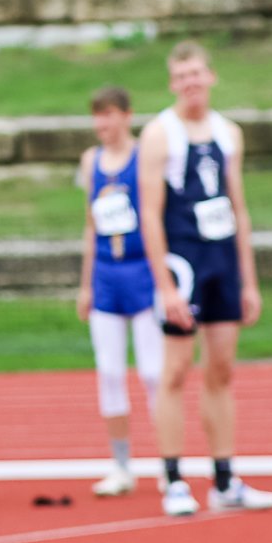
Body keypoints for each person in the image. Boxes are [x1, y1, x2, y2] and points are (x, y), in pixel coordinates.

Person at [137, 42, 272, 516]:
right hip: (183, 262)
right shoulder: (159, 135)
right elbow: (149, 214)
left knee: (221, 369)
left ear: (211, 76)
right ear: (172, 83)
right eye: (182, 76)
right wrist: (165, 285)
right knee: (176, 370)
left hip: (222, 261)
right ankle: (174, 479)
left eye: (196, 74)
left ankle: (224, 479)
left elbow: (239, 208)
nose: (191, 83)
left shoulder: (228, 133)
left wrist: (249, 281)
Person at [74, 85, 165, 498]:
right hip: (106, 276)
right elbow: (90, 225)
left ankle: (168, 462)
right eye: (97, 115)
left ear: (126, 116)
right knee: (109, 371)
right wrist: (85, 285)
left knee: (153, 372)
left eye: (109, 114)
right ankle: (121, 466)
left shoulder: (143, 156)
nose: (102, 124)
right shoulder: (90, 161)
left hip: (142, 271)